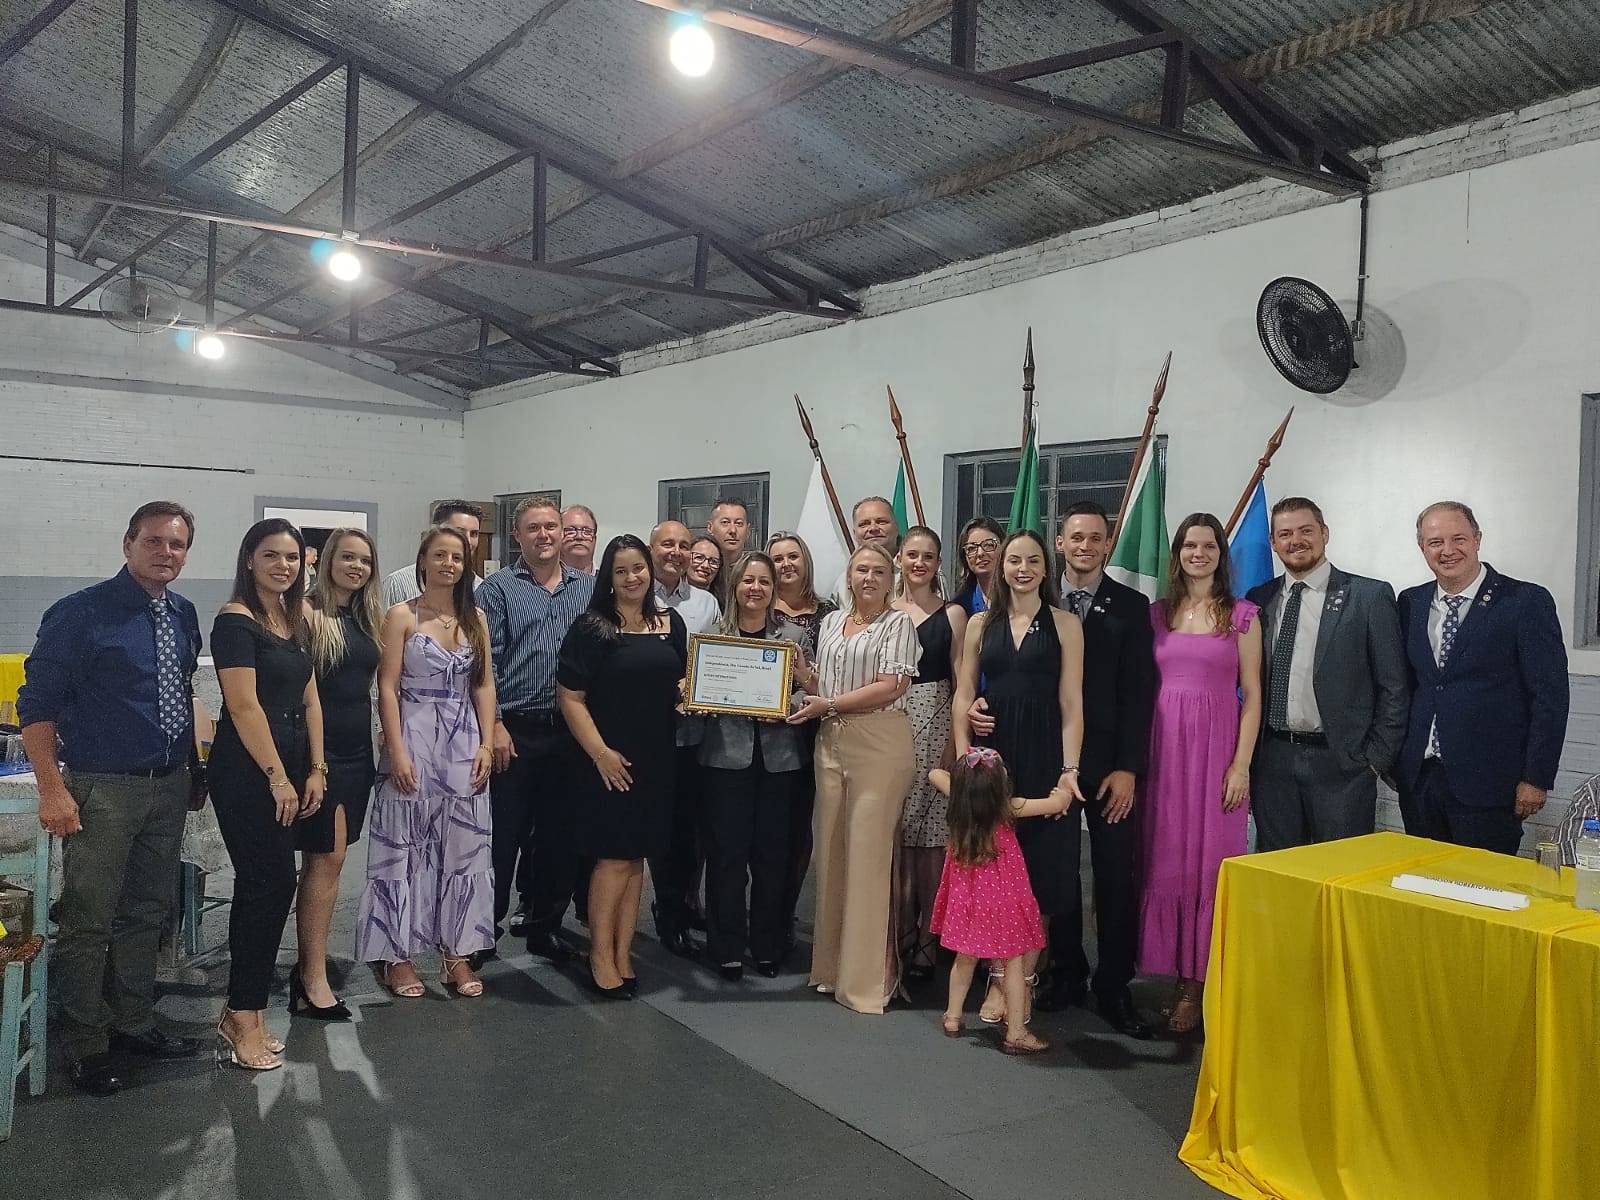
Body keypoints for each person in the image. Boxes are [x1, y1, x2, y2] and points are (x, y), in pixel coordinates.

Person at [18, 501, 204, 1095]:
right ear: (128, 544)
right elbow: (36, 706)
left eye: (177, 544)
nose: (165, 553)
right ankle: (86, 1043)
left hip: (167, 786)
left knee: (146, 913)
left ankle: (133, 1022)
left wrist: (192, 772)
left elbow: (180, 694)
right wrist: (52, 788)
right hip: (102, 789)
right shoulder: (80, 614)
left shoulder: (183, 614)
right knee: (88, 919)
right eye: (154, 541)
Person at [1025, 500, 1158, 1037]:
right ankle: (1066, 971)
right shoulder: (1037, 601)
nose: (1084, 546)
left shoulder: (1131, 605)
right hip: (1048, 760)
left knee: (1114, 875)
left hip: (1107, 767)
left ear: (1107, 545)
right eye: (1075, 537)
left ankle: (1114, 984)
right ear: (1059, 543)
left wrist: (1128, 767)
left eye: (1095, 538)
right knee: (1058, 871)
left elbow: (1139, 693)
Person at [952, 528, 1086, 1028]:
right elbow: (963, 694)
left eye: (1032, 560)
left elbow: (1072, 704)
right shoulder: (979, 623)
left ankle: (1023, 981)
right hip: (994, 757)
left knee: (1043, 873)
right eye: (1014, 560)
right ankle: (994, 979)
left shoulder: (1067, 624)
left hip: (1047, 754)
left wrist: (1070, 771)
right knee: (994, 870)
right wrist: (965, 760)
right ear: (1002, 567)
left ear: (1046, 567)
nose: (1023, 568)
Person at [355, 526, 496, 999]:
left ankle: (456, 953)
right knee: (404, 849)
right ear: (423, 561)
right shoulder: (401, 616)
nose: (448, 564)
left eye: (456, 557)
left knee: (464, 849)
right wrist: (396, 750)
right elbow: (387, 686)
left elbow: (483, 684)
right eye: (440, 555)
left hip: (463, 743)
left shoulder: (476, 618)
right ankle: (397, 956)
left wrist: (486, 743)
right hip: (414, 738)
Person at [209, 518, 326, 1071]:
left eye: (293, 557)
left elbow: (310, 700)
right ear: (249, 559)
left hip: (293, 760)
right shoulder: (235, 620)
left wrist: (316, 768)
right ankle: (242, 1012)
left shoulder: (293, 617)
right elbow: (243, 705)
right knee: (267, 883)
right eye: (272, 555)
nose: (283, 566)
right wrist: (278, 777)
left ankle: (247, 1009)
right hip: (249, 767)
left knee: (274, 885)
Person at [1140, 513, 1262, 1035]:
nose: (1199, 553)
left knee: (1210, 865)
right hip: (1163, 751)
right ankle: (1174, 974)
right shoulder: (1158, 614)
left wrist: (1241, 765)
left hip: (1217, 755)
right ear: (1178, 553)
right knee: (1167, 861)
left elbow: (1252, 696)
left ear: (1220, 554)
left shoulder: (1242, 616)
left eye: (1208, 546)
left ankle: (1199, 984)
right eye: (1190, 545)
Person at [787, 543, 919, 1014]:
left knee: (868, 860)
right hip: (831, 742)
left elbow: (891, 686)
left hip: (879, 745)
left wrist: (829, 703)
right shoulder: (830, 623)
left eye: (879, 571)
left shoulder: (898, 623)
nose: (869, 577)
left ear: (891, 578)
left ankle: (866, 982)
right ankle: (830, 969)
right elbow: (825, 686)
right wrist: (801, 675)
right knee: (831, 856)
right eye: (861, 569)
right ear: (849, 575)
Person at [1395, 501, 1569, 855]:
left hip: (1490, 785)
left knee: (1483, 886)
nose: (1447, 550)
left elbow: (1549, 698)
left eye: (1458, 538)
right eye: (1435, 542)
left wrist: (1536, 778)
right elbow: (1408, 687)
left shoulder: (1524, 601)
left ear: (1477, 539)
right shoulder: (1410, 602)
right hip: (1421, 780)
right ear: (1422, 547)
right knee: (1422, 883)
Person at [557, 535, 688, 998]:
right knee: (612, 860)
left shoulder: (670, 623)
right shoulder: (592, 627)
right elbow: (570, 698)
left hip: (657, 759)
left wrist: (694, 697)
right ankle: (599, 955)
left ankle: (622, 952)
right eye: (621, 571)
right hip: (609, 760)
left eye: (639, 568)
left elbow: (678, 683)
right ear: (608, 579)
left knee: (636, 862)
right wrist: (601, 754)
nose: (632, 578)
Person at [1246, 498, 1408, 851]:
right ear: (1273, 542)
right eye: (1285, 534)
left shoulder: (1368, 596)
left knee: (1340, 871)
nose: (1296, 541)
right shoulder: (1259, 599)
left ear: (1325, 533)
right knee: (1278, 869)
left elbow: (1394, 686)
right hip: (1273, 761)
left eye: (1306, 530)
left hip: (1342, 765)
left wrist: (1374, 760)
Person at [476, 496, 594, 962]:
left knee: (557, 839)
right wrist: (495, 724)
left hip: (569, 734)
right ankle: (482, 932)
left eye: (551, 527)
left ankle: (545, 927)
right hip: (515, 732)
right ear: (517, 536)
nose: (544, 535)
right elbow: (486, 664)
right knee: (501, 840)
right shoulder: (498, 590)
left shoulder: (589, 590)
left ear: (562, 533)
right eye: (533, 528)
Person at [698, 553, 809, 979]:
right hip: (726, 760)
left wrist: (786, 706)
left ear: (773, 588)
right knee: (726, 856)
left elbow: (808, 691)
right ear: (735, 586)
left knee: (772, 857)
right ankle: (726, 946)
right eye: (748, 580)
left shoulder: (794, 636)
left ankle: (767, 945)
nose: (755, 588)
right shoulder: (713, 636)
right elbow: (699, 692)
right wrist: (698, 697)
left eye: (764, 581)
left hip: (780, 761)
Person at [293, 528, 382, 1019]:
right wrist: (315, 764)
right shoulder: (308, 613)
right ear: (327, 560)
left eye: (364, 560)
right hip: (319, 756)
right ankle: (312, 977)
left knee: (331, 861)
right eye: (347, 557)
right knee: (324, 862)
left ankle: (309, 968)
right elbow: (300, 695)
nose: (356, 567)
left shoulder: (367, 617)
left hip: (357, 754)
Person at [927, 751, 1071, 1054]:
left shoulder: (961, 804)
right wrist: (1062, 791)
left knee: (965, 958)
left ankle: (952, 1017)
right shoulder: (1007, 808)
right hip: (1004, 904)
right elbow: (1058, 803)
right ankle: (1016, 1032)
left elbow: (934, 774)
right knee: (1013, 963)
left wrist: (963, 782)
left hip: (969, 903)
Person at [891, 526, 966, 981]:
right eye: (912, 554)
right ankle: (898, 931)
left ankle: (927, 939)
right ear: (899, 558)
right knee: (897, 836)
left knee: (932, 839)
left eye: (928, 556)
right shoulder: (884, 610)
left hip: (936, 724)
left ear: (939, 563)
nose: (919, 563)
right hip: (890, 725)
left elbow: (961, 683)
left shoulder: (952, 614)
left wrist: (954, 745)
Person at [648, 520, 720, 958]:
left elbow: (719, 661)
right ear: (652, 548)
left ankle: (683, 903)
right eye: (667, 544)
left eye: (683, 545)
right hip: (652, 732)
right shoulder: (637, 595)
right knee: (661, 826)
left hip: (697, 734)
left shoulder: (706, 603)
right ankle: (667, 909)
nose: (676, 552)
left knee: (691, 827)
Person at [766, 531, 837, 957]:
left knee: (798, 830)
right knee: (766, 831)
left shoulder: (829, 613)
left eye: (793, 556)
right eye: (777, 558)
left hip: (813, 730)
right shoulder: (754, 604)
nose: (786, 564)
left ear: (806, 561)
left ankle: (786, 911)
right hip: (764, 733)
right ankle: (762, 914)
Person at [381, 502, 483, 608]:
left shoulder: (482, 588)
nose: (468, 540)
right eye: (459, 532)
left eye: (474, 534)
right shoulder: (398, 584)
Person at [829, 496, 900, 607]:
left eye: (881, 522)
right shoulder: (843, 582)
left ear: (896, 527)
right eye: (864, 524)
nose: (873, 528)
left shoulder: (916, 573)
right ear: (854, 533)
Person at [952, 516, 1005, 616]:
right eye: (972, 548)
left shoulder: (1018, 596)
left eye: (989, 545)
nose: (980, 553)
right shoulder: (961, 607)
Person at [706, 497, 752, 604]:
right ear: (710, 528)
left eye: (739, 523)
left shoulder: (755, 569)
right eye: (725, 522)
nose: (733, 530)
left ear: (748, 530)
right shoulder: (699, 568)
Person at [561, 504, 599, 575]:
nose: (579, 536)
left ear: (595, 540)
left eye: (587, 531)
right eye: (571, 530)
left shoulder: (609, 580)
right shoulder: (544, 579)